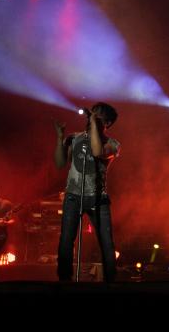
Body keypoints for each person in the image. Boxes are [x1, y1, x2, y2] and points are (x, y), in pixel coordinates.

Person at [53, 102, 120, 282]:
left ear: (107, 123)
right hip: (73, 196)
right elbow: (60, 163)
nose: (92, 118)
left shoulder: (112, 144)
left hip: (98, 198)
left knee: (106, 242)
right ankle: (64, 280)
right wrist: (60, 138)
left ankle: (111, 282)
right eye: (92, 114)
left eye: (98, 116)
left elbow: (97, 151)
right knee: (66, 240)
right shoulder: (75, 138)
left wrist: (93, 124)